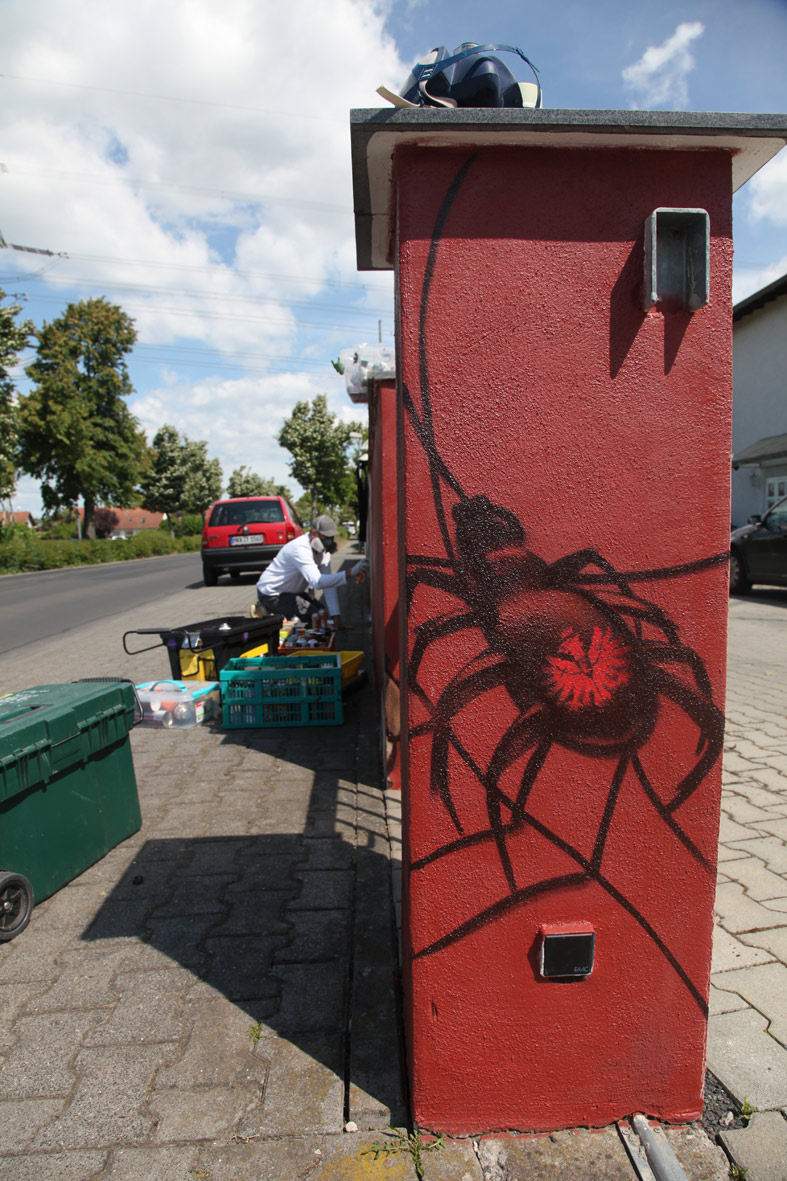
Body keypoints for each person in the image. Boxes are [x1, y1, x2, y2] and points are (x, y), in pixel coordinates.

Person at [251, 514, 367, 625]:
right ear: (313, 534)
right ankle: (268, 615)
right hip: (272, 593)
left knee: (321, 611)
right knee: (313, 617)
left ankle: (272, 612)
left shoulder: (323, 551)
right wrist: (351, 572)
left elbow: (328, 586)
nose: (329, 542)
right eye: (325, 538)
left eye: (331, 538)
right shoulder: (300, 549)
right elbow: (317, 582)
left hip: (290, 592)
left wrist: (336, 617)